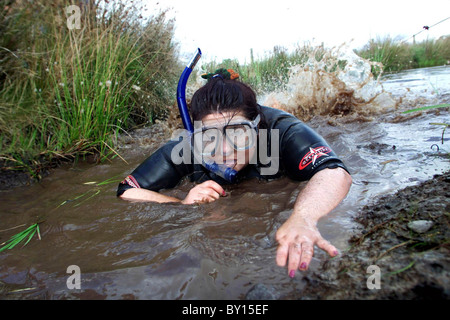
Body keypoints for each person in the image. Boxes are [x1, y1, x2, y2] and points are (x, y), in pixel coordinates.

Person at [117, 69, 352, 278]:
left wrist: (303, 217)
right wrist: (180, 202)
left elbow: (333, 171)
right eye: (210, 138)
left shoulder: (282, 130)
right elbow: (128, 191)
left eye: (239, 133)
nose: (226, 150)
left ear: (258, 128)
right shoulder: (187, 146)